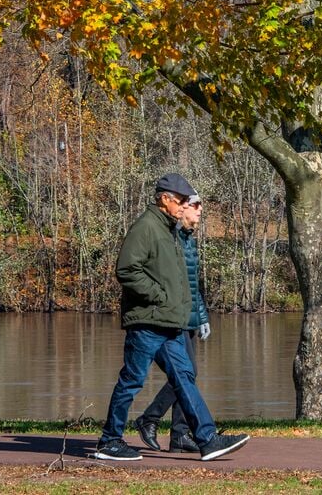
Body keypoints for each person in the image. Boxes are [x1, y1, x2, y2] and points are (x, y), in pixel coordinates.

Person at [93, 173, 250, 462]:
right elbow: (127, 269)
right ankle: (110, 441)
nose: (183, 205)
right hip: (147, 322)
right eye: (180, 201)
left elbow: (182, 278)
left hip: (169, 323)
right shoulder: (146, 227)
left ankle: (207, 439)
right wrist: (159, 295)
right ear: (165, 199)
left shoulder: (170, 230)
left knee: (185, 378)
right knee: (132, 380)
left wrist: (189, 310)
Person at [132, 191, 210, 454]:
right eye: (195, 205)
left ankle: (178, 434)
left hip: (187, 315)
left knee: (187, 373)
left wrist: (201, 316)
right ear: (183, 207)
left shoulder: (189, 239)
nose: (200, 210)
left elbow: (192, 283)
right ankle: (150, 419)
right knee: (186, 373)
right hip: (169, 315)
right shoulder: (171, 236)